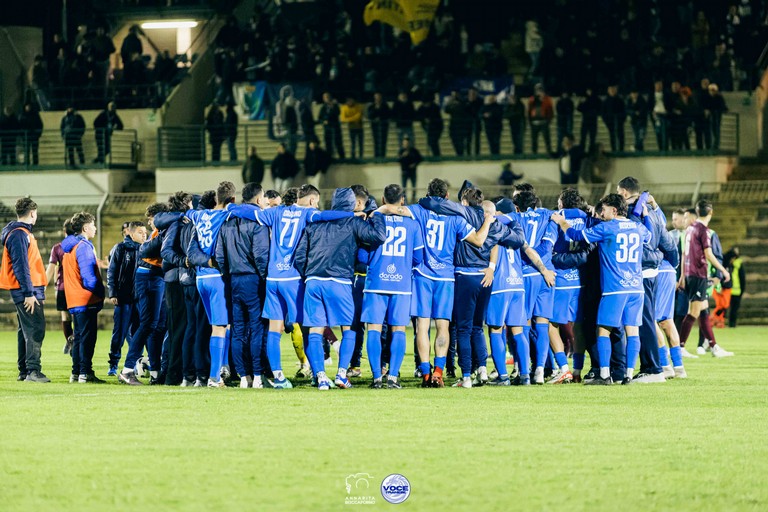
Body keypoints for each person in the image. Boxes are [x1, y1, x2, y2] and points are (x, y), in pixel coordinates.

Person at [227, 184, 359, 389]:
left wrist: (230, 208)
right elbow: (326, 217)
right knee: (309, 328)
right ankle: (318, 375)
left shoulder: (274, 212)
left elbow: (250, 213)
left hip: (273, 278)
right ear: (313, 200)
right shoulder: (309, 213)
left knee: (274, 329)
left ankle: (279, 377)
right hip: (293, 278)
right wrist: (354, 215)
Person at [377, 178, 490, 387]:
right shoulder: (455, 217)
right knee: (443, 327)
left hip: (422, 276)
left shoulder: (419, 210)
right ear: (447, 196)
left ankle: (426, 372)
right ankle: (439, 371)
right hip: (445, 277)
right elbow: (479, 240)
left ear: (428, 194)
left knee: (422, 327)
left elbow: (395, 210)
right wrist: (488, 222)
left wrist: (376, 211)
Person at [551, 193, 651, 385]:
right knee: (632, 332)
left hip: (615, 289)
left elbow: (575, 235)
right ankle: (629, 375)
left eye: (603, 210)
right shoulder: (638, 227)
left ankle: (604, 375)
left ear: (614, 210)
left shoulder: (607, 227)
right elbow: (650, 234)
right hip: (637, 289)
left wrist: (561, 221)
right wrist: (645, 215)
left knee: (603, 331)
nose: (601, 213)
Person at [292, 188, 386, 390]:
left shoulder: (316, 222)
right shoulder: (353, 222)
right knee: (348, 328)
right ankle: (342, 374)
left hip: (314, 281)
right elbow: (378, 236)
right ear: (352, 204)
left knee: (315, 331)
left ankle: (320, 377)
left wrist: (309, 273)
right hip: (340, 282)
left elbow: (299, 256)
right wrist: (377, 215)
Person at [358, 184, 422, 388]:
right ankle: (393, 377)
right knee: (399, 330)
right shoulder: (413, 225)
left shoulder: (375, 219)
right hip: (401, 284)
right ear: (402, 201)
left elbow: (361, 255)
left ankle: (377, 377)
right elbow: (418, 257)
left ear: (384, 200)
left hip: (376, 281)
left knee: (374, 330)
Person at [215, 183, 270, 388]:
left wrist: (227, 274)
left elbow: (220, 255)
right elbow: (260, 254)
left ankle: (243, 377)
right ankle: (257, 375)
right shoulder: (258, 222)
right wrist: (264, 278)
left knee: (238, 329)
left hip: (233, 279)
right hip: (253, 279)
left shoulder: (227, 222)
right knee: (256, 328)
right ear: (257, 199)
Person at [0, 198, 49, 382]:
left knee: (26, 330)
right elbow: (21, 266)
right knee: (36, 329)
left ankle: (25, 371)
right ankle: (32, 371)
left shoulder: (18, 233)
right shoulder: (20, 234)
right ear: (32, 213)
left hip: (27, 289)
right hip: (27, 291)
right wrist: (29, 293)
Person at [678, 200, 734, 357]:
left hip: (691, 274)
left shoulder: (690, 229)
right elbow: (709, 254)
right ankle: (679, 347)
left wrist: (683, 275)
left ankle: (714, 346)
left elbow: (684, 254)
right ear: (711, 213)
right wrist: (723, 270)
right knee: (694, 312)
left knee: (703, 311)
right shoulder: (703, 230)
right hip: (698, 275)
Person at [120, 203, 168, 385]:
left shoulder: (160, 230)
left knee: (158, 326)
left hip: (156, 277)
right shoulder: (158, 233)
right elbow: (148, 251)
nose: (149, 224)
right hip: (148, 277)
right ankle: (127, 370)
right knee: (148, 324)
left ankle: (156, 372)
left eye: (151, 219)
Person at [62, 211, 106, 383]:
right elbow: (88, 278)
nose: (95, 228)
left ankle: (76, 372)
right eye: (93, 225)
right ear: (86, 227)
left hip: (73, 299)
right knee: (87, 338)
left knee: (79, 337)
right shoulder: (84, 246)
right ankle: (85, 373)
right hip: (86, 299)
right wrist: (100, 292)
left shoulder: (68, 247)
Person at [160, 192, 194, 385]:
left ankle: (177, 372)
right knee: (177, 329)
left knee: (181, 328)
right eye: (190, 203)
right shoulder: (176, 224)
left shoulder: (181, 221)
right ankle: (172, 375)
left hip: (177, 280)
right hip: (174, 281)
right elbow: (166, 250)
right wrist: (183, 261)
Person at [106, 221, 146, 377]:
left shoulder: (146, 249)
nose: (144, 235)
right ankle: (113, 364)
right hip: (124, 298)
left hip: (140, 299)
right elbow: (112, 271)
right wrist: (113, 292)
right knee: (120, 333)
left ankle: (136, 363)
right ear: (131, 233)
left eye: (145, 232)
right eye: (141, 232)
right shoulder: (121, 248)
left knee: (139, 333)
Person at [46, 220, 75, 355]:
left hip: (62, 288)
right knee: (78, 317)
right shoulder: (81, 245)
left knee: (65, 316)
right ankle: (74, 341)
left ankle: (69, 341)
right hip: (76, 288)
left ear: (64, 232)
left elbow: (51, 269)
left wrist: (43, 286)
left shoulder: (57, 247)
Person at [528, 84, 554, 155]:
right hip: (534, 122)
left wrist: (548, 120)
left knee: (547, 139)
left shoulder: (547, 99)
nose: (539, 92)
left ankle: (549, 151)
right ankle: (534, 152)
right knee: (534, 140)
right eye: (537, 90)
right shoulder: (532, 99)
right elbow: (529, 110)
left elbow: (550, 110)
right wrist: (530, 121)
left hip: (544, 122)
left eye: (540, 90)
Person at [318, 92, 344, 159]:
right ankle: (329, 157)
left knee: (338, 143)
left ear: (330, 97)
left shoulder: (335, 105)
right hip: (327, 128)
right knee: (328, 144)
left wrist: (332, 106)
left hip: (335, 127)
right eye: (324, 97)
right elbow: (320, 117)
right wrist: (323, 121)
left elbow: (338, 113)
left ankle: (342, 158)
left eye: (326, 97)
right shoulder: (323, 107)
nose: (325, 99)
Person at [445, 90, 470, 156]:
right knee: (454, 140)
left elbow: (464, 109)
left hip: (461, 124)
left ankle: (462, 153)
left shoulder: (463, 102)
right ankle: (459, 153)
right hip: (453, 124)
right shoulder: (450, 103)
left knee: (461, 141)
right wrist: (450, 103)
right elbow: (446, 110)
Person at [601, 85, 626, 152]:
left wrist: (622, 120)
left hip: (619, 121)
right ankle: (614, 149)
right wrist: (607, 122)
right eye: (610, 90)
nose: (612, 91)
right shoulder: (605, 101)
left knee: (621, 136)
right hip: (610, 122)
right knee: (612, 136)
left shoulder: (620, 100)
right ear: (608, 91)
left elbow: (624, 111)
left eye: (613, 89)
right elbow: (603, 113)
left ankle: (621, 150)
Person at [367, 92, 390, 158]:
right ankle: (376, 156)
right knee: (376, 141)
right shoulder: (371, 106)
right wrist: (376, 109)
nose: (377, 98)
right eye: (376, 97)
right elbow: (370, 115)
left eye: (379, 97)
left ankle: (383, 156)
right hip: (375, 126)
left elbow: (388, 114)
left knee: (383, 141)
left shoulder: (385, 105)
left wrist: (380, 117)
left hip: (383, 125)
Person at [577, 87, 600, 152]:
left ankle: (591, 150)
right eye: (588, 91)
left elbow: (600, 108)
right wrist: (581, 102)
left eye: (590, 91)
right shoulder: (584, 98)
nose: (589, 92)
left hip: (593, 120)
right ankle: (582, 150)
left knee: (592, 138)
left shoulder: (596, 99)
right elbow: (579, 108)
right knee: (583, 137)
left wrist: (595, 112)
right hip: (586, 120)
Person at [727, 246, 745, 327]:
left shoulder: (730, 263)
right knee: (733, 309)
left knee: (732, 309)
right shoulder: (737, 263)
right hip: (735, 290)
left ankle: (731, 324)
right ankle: (731, 324)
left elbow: (742, 278)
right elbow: (742, 278)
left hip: (732, 289)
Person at [707, 83, 728, 150]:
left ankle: (716, 145)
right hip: (710, 117)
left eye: (713, 90)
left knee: (716, 131)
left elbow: (723, 106)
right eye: (711, 90)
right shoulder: (707, 97)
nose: (712, 91)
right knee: (711, 131)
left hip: (717, 116)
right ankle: (710, 145)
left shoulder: (719, 97)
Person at [466, 88, 483, 155]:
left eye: (474, 93)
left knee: (477, 140)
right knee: (468, 140)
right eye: (471, 93)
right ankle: (468, 154)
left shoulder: (480, 101)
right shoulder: (465, 101)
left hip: (477, 123)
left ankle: (477, 154)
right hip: (467, 124)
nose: (472, 95)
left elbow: (480, 111)